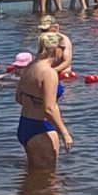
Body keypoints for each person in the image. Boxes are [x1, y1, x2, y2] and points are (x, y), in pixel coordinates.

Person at [15, 28, 74, 167]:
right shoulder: (49, 73)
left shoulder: (30, 67)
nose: (64, 52)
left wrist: (35, 101)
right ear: (55, 49)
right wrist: (65, 133)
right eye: (63, 48)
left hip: (24, 125)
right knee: (49, 179)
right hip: (41, 128)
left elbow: (18, 98)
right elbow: (49, 108)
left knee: (34, 176)